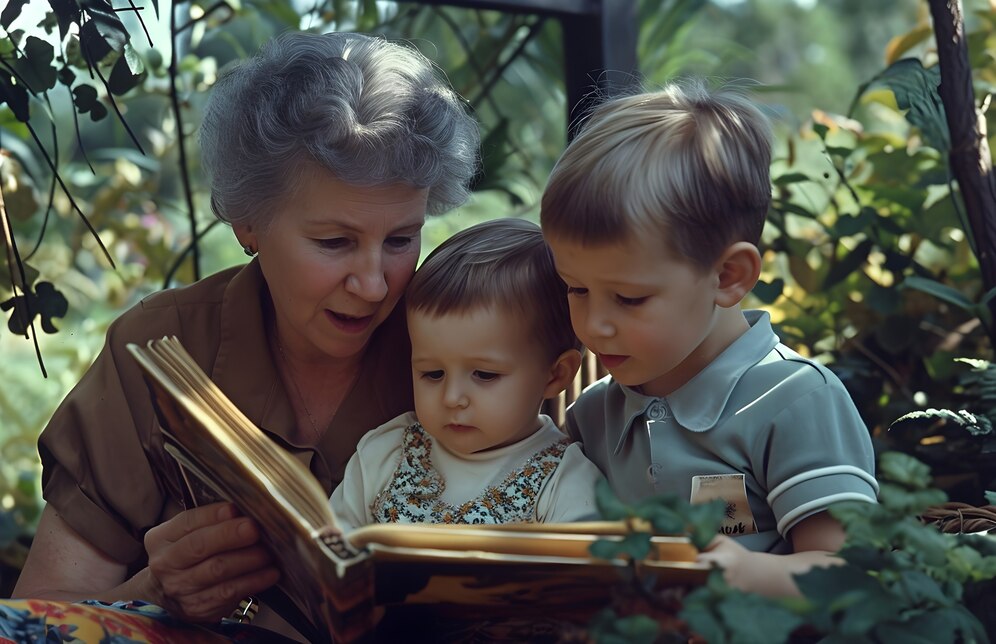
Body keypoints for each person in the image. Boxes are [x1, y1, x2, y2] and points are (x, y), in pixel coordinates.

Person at [12, 30, 479, 639]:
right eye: (334, 242)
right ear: (248, 222)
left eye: (400, 239)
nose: (373, 284)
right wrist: (154, 594)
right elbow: (37, 619)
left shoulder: (473, 343)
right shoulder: (158, 349)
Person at [539, 80, 879, 598]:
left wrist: (742, 577)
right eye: (576, 289)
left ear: (728, 276)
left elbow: (851, 577)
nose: (594, 325)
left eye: (629, 299)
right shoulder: (593, 415)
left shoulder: (794, 401)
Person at [330, 218, 602, 533]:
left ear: (555, 375)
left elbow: (583, 578)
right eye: (432, 373)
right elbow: (329, 555)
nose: (451, 398)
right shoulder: (385, 454)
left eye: (484, 374)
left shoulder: (566, 483)